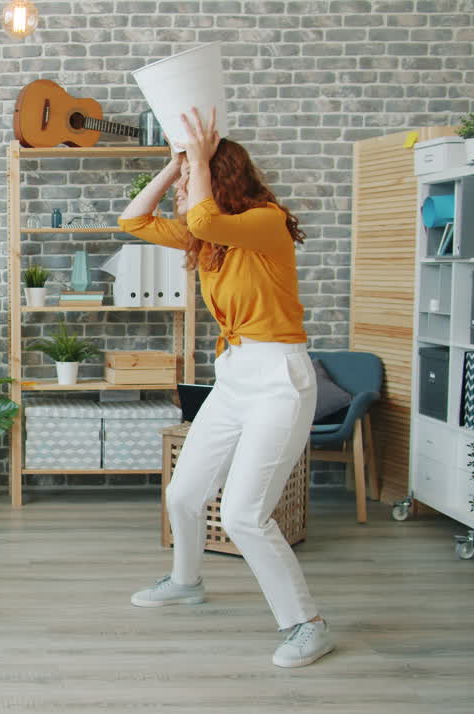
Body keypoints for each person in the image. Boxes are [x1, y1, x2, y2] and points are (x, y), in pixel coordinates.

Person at [117, 108, 333, 668]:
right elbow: (133, 221)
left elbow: (209, 218)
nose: (184, 190)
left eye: (191, 180)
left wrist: (200, 164)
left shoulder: (267, 221)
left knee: (242, 515)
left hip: (279, 380)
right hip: (235, 376)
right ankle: (187, 581)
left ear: (222, 176)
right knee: (183, 494)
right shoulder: (206, 239)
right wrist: (173, 165)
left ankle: (307, 624)